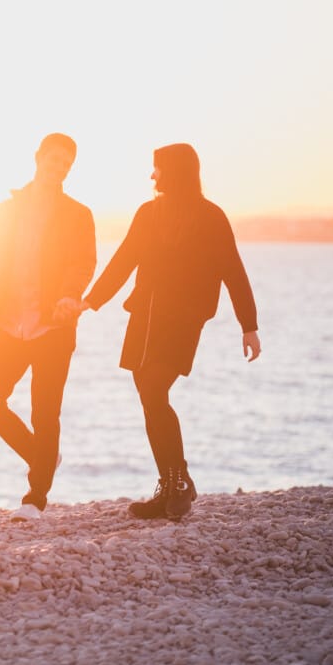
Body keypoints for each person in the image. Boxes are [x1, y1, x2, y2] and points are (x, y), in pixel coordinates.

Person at [77, 142, 260, 521]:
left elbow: (233, 271)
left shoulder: (211, 217)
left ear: (174, 170)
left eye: (157, 168)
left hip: (184, 321)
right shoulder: (148, 213)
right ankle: (171, 484)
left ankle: (178, 482)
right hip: (144, 317)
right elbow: (124, 260)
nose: (152, 175)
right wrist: (89, 302)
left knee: (155, 390)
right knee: (150, 397)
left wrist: (249, 326)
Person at [0, 133, 97, 522]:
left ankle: (35, 497)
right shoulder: (8, 211)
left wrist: (68, 296)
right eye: (55, 159)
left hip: (53, 328)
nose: (60, 168)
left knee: (45, 413)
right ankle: (44, 457)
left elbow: (83, 264)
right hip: (10, 323)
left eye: (67, 164)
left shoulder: (77, 214)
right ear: (39, 157)